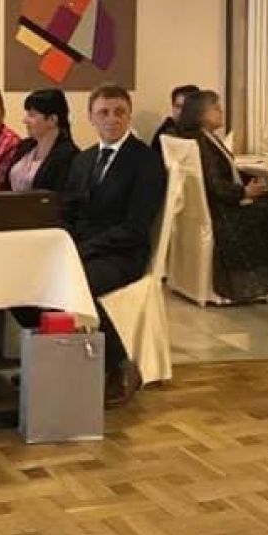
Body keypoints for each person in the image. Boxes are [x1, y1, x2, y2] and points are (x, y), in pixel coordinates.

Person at [55, 84, 166, 407]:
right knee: (31, 282)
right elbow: (67, 211)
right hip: (82, 249)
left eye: (120, 112)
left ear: (129, 115)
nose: (112, 119)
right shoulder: (84, 159)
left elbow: (134, 227)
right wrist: (64, 244)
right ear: (91, 117)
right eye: (103, 112)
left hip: (122, 253)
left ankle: (120, 366)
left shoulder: (145, 161)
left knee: (76, 284)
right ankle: (53, 358)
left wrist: (82, 251)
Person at [179, 90, 268, 303]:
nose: (221, 111)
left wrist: (249, 184)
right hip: (223, 213)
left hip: (218, 206)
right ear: (200, 113)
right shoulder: (200, 143)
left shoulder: (202, 139)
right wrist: (244, 191)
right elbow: (214, 185)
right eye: (215, 108)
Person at [0, 88, 80, 194]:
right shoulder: (24, 146)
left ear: (52, 120)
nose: (25, 120)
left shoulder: (69, 157)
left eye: (32, 115)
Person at [151, 84, 199, 152]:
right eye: (178, 106)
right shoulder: (167, 133)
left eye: (186, 107)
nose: (181, 111)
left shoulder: (199, 131)